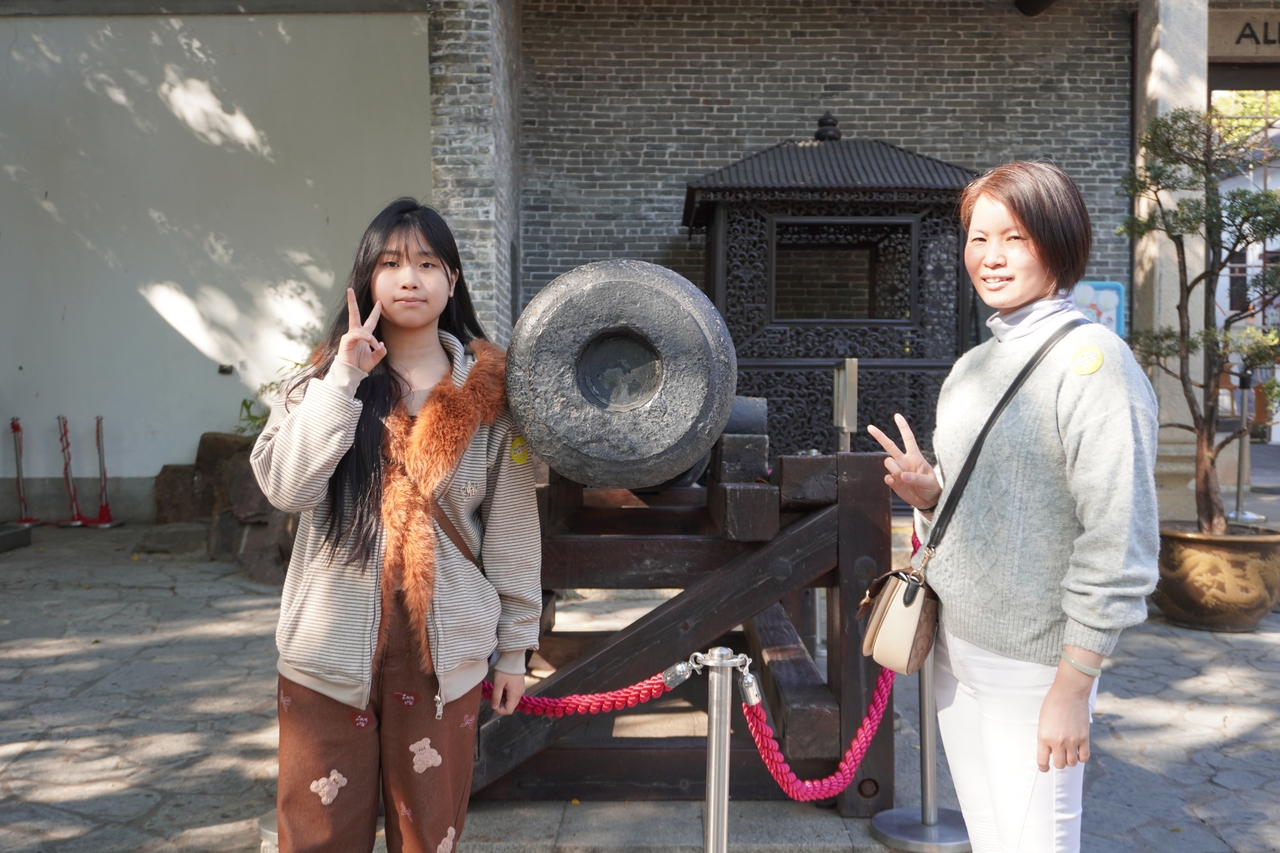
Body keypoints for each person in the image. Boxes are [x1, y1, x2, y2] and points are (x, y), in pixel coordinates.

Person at [867, 161, 1159, 853]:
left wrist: (1073, 687)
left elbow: (1118, 538)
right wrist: (930, 495)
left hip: (1034, 665)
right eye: (978, 237)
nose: (991, 257)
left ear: (1058, 243)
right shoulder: (971, 367)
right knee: (992, 837)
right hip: (954, 647)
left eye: (1015, 237)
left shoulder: (1096, 364)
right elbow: (996, 507)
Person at [251, 198, 542, 853]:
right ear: (367, 279)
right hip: (329, 654)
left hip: (442, 655)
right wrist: (343, 380)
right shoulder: (317, 385)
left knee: (427, 839)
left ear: (452, 281)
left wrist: (515, 649)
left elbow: (513, 530)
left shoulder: (493, 400)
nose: (410, 278)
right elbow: (287, 488)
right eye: (391, 263)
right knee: (318, 839)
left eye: (428, 263)